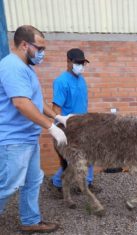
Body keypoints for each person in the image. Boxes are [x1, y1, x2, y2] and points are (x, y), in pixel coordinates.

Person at [0, 25, 72, 233]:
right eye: (39, 48)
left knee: (33, 180)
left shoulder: (25, 69)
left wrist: (57, 116)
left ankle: (30, 221)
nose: (42, 53)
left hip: (27, 138)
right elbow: (22, 104)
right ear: (24, 45)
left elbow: (35, 101)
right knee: (9, 185)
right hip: (13, 140)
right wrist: (51, 127)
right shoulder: (12, 67)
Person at [50, 48, 99, 192]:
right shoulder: (61, 82)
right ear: (68, 61)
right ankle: (57, 183)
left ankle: (87, 183)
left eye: (83, 63)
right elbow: (56, 109)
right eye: (78, 62)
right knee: (73, 160)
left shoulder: (81, 80)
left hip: (84, 126)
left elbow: (82, 103)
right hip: (69, 128)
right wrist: (59, 131)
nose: (81, 65)